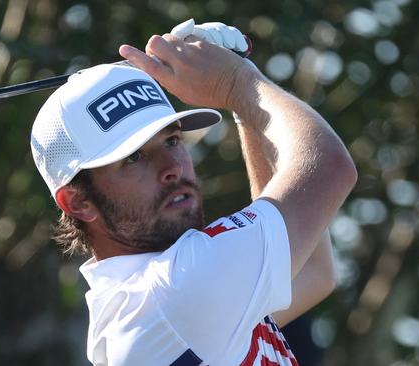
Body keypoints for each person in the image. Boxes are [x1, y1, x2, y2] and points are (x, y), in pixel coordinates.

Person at [30, 20, 356, 366]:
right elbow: (329, 167)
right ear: (78, 201)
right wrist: (236, 82)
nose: (172, 166)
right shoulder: (175, 289)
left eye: (172, 140)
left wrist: (246, 108)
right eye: (135, 157)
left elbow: (312, 272)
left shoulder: (143, 300)